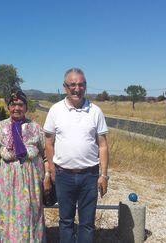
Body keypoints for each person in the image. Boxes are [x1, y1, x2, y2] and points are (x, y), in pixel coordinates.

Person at [43, 68, 109, 243]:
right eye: (72, 84)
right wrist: (51, 170)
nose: (76, 88)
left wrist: (104, 175)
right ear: (65, 87)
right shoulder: (55, 110)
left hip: (90, 175)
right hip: (63, 174)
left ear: (85, 87)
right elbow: (48, 143)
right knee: (66, 222)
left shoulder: (96, 111)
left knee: (87, 224)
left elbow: (102, 145)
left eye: (80, 84)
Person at [0, 90, 47, 242]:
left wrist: (47, 176)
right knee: (9, 214)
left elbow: (45, 155)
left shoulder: (36, 128)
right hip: (8, 181)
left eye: (20, 104)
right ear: (8, 107)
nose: (16, 108)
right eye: (13, 104)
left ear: (26, 107)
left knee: (32, 213)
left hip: (31, 180)